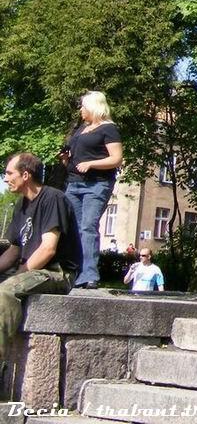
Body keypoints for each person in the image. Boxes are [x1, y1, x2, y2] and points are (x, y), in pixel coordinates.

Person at [0, 153, 82, 357]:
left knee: (6, 290)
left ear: (25, 175)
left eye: (9, 173)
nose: (5, 178)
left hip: (57, 272)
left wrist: (17, 274)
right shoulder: (21, 205)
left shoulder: (53, 198)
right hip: (34, 271)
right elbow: (14, 250)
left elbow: (48, 249)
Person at [63, 91, 123, 289]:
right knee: (73, 228)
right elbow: (76, 158)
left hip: (96, 184)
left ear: (93, 107)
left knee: (88, 226)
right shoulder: (81, 129)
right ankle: (74, 273)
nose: (81, 110)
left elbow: (116, 159)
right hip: (74, 183)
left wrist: (91, 164)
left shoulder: (109, 129)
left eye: (83, 106)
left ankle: (89, 275)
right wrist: (66, 159)